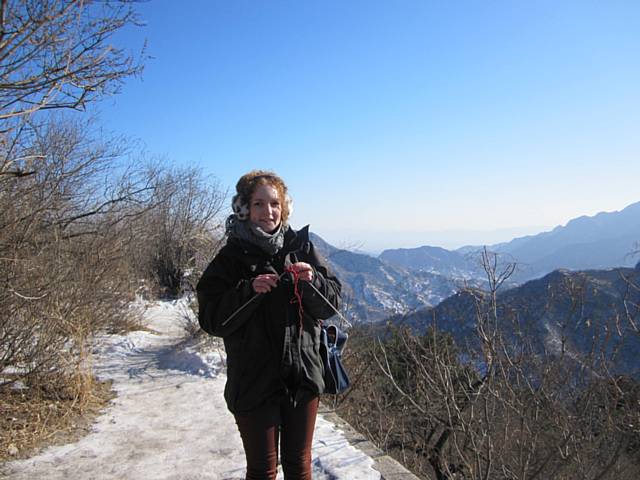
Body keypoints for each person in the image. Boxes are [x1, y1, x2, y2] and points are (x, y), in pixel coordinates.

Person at [196, 170, 341, 480]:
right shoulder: (230, 259)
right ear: (244, 208)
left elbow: (330, 306)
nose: (268, 212)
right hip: (253, 382)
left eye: (275, 203)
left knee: (300, 465)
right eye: (259, 204)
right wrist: (249, 291)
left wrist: (311, 281)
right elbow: (211, 319)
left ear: (283, 207)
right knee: (262, 470)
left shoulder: (300, 247)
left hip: (302, 376)